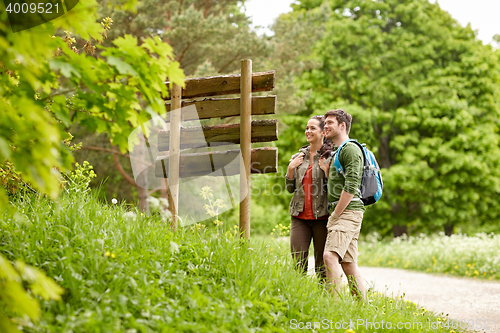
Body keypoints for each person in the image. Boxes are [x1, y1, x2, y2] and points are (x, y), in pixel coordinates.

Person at [319, 109, 367, 299]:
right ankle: (363, 308)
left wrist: (336, 214)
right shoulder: (339, 151)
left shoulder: (351, 149)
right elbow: (338, 184)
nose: (326, 126)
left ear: (342, 126)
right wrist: (326, 171)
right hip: (345, 211)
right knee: (348, 263)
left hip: (347, 212)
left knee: (329, 256)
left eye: (330, 122)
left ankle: (334, 307)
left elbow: (352, 185)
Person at [285, 115, 332, 278]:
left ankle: (324, 300)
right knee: (298, 265)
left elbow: (334, 190)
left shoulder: (330, 156)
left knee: (322, 266)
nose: (308, 131)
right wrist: (290, 169)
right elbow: (290, 188)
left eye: (312, 128)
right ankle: (299, 299)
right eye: (307, 128)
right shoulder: (299, 156)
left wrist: (326, 171)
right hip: (299, 217)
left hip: (323, 218)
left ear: (323, 132)